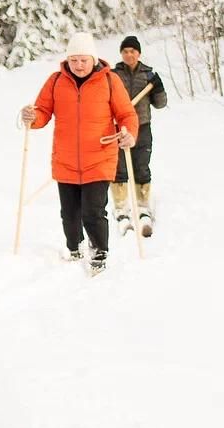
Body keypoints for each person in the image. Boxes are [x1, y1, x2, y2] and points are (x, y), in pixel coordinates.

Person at [21, 32, 138, 271]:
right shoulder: (55, 81)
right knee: (70, 214)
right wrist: (32, 117)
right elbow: (42, 111)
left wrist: (128, 132)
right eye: (73, 60)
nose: (79, 65)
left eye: (83, 60)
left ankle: (99, 252)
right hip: (65, 160)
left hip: (100, 157)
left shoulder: (109, 80)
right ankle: (75, 247)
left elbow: (126, 114)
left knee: (93, 211)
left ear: (93, 58)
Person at [111, 35, 167, 236]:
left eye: (132, 51)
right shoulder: (113, 75)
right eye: (125, 51)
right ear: (121, 54)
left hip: (142, 127)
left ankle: (143, 204)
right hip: (120, 127)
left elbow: (160, 104)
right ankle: (120, 205)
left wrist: (158, 87)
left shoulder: (148, 75)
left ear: (139, 53)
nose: (129, 54)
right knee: (119, 167)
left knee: (141, 165)